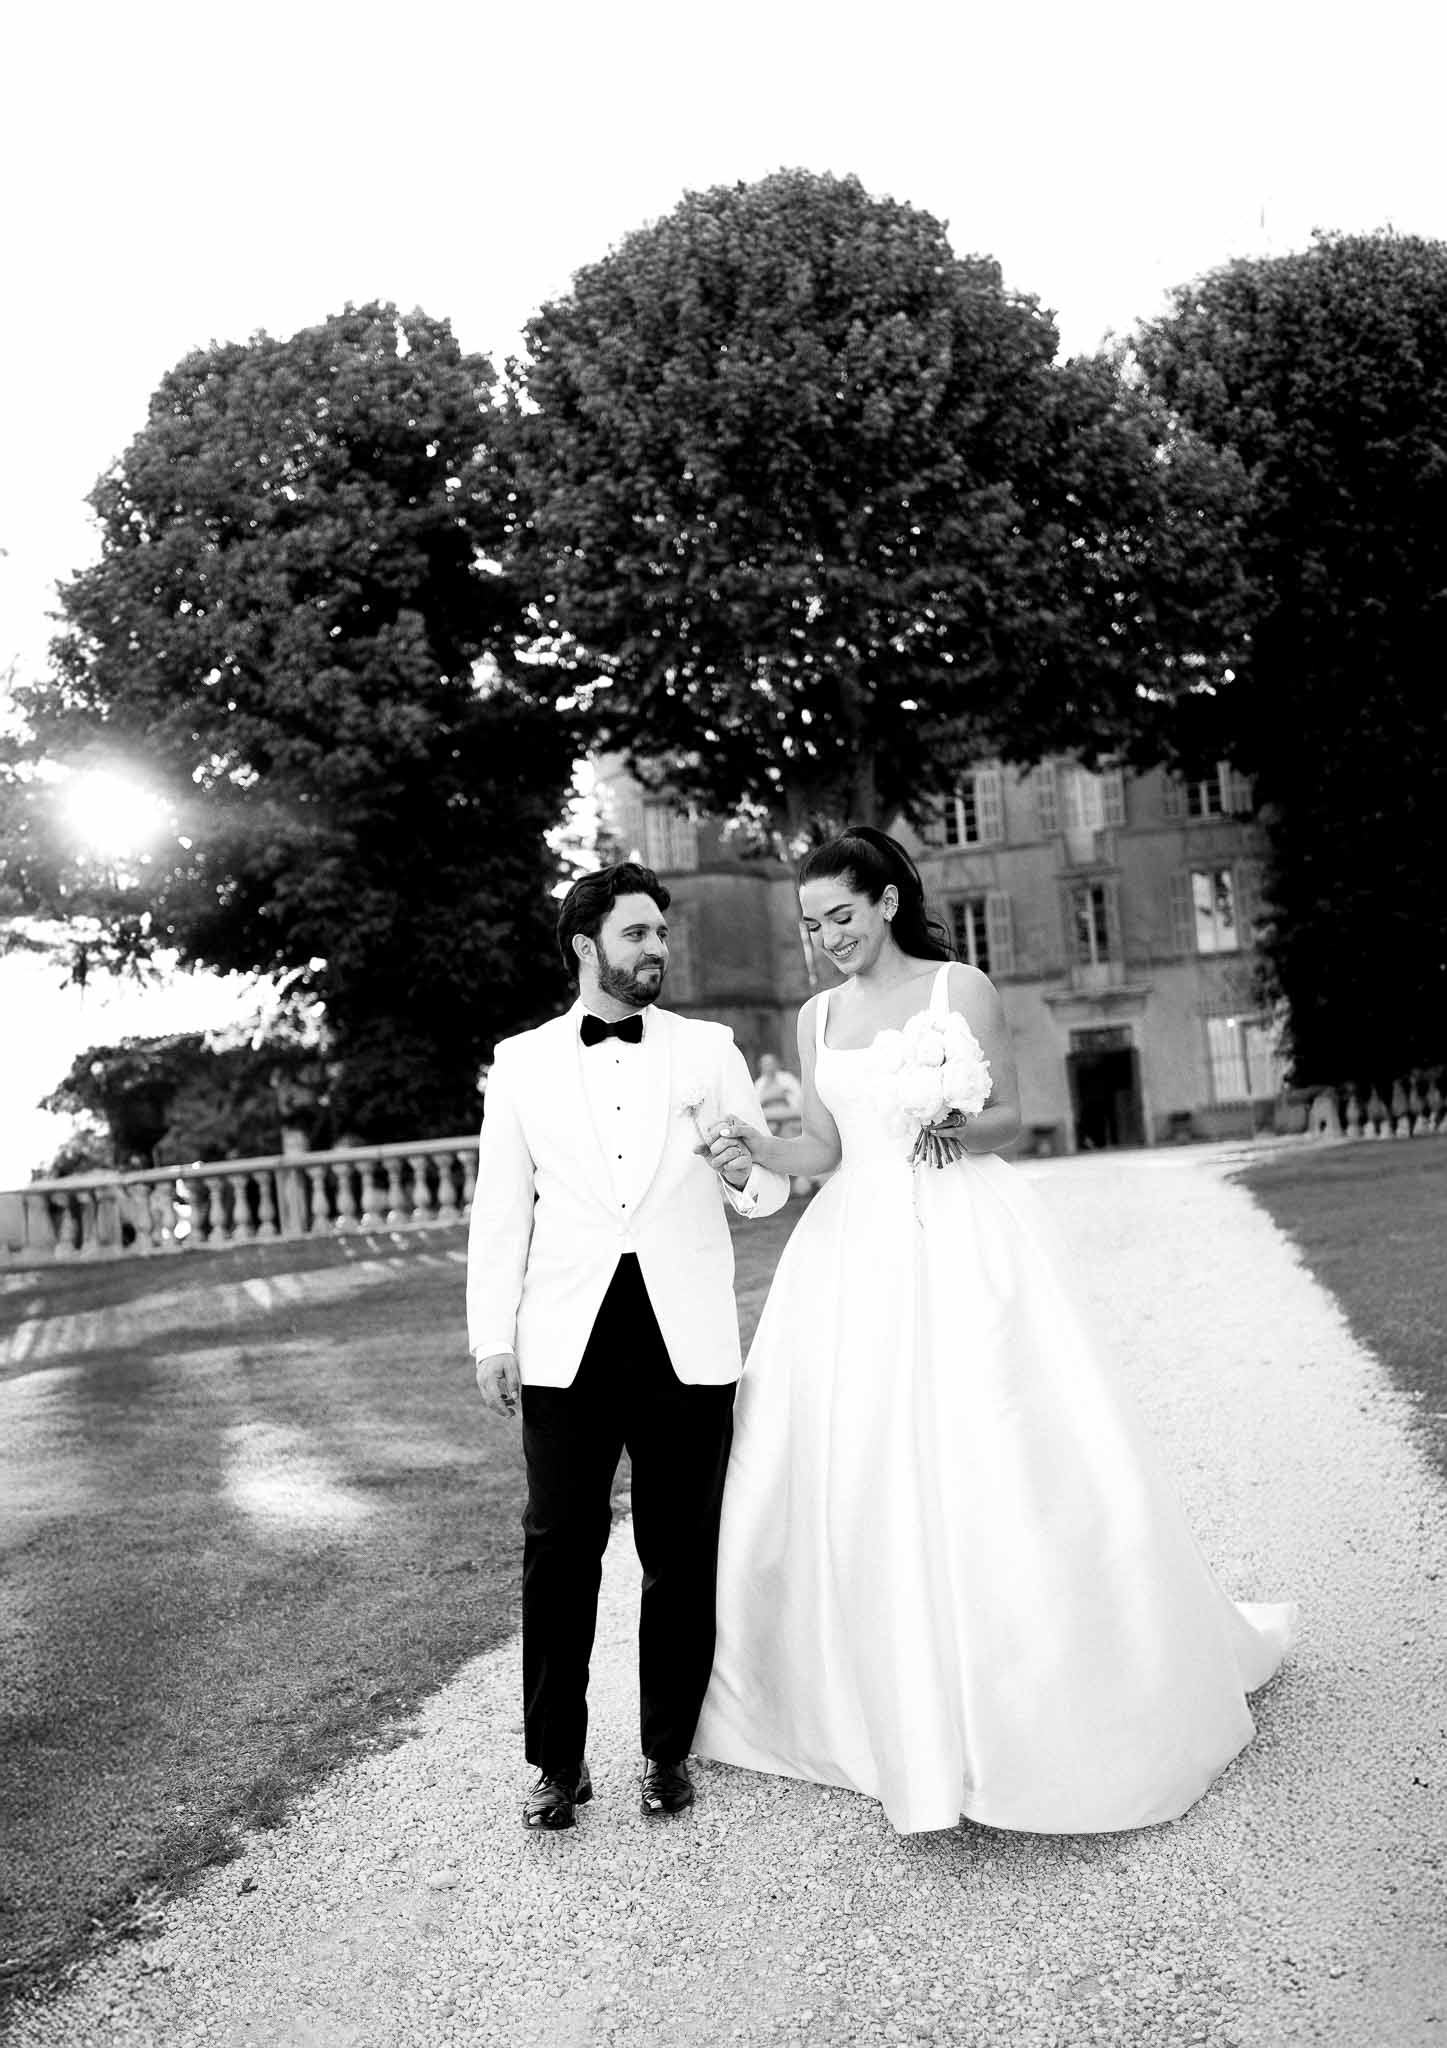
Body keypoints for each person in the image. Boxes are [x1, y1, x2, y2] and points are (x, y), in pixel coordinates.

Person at [692, 826, 1297, 1836]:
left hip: (958, 1233)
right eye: (810, 924)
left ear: (887, 900)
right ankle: (852, 1709)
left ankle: (1044, 1702)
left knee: (995, 1443)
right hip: (849, 1253)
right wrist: (755, 1143)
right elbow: (826, 1147)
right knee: (842, 1461)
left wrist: (950, 1121)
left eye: (841, 914)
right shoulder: (814, 1017)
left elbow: (1010, 1115)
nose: (827, 937)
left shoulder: (956, 987)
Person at [467, 862, 791, 1832]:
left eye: (661, 932)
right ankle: (555, 1765)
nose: (657, 948)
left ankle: (665, 1751)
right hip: (564, 1342)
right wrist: (492, 1337)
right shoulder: (518, 1061)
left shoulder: (711, 1047)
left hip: (685, 1339)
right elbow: (498, 1211)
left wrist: (741, 1165)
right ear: (586, 945)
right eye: (638, 932)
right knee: (556, 1550)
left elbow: (765, 1194)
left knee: (679, 1552)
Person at [753, 1051, 803, 1130]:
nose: (769, 1066)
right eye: (766, 1064)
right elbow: (755, 1103)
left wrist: (783, 1095)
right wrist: (770, 1096)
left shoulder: (787, 1078)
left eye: (771, 1063)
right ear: (761, 1066)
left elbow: (798, 1096)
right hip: (768, 1118)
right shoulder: (759, 1083)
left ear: (776, 1064)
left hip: (789, 1116)